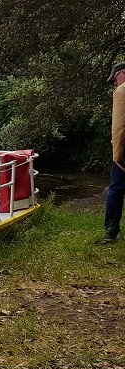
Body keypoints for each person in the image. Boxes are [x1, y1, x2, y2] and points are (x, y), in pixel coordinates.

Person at [101, 61, 125, 244]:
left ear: (122, 72)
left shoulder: (122, 91)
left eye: (115, 78)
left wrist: (118, 156)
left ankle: (111, 232)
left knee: (116, 190)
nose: (115, 83)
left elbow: (119, 127)